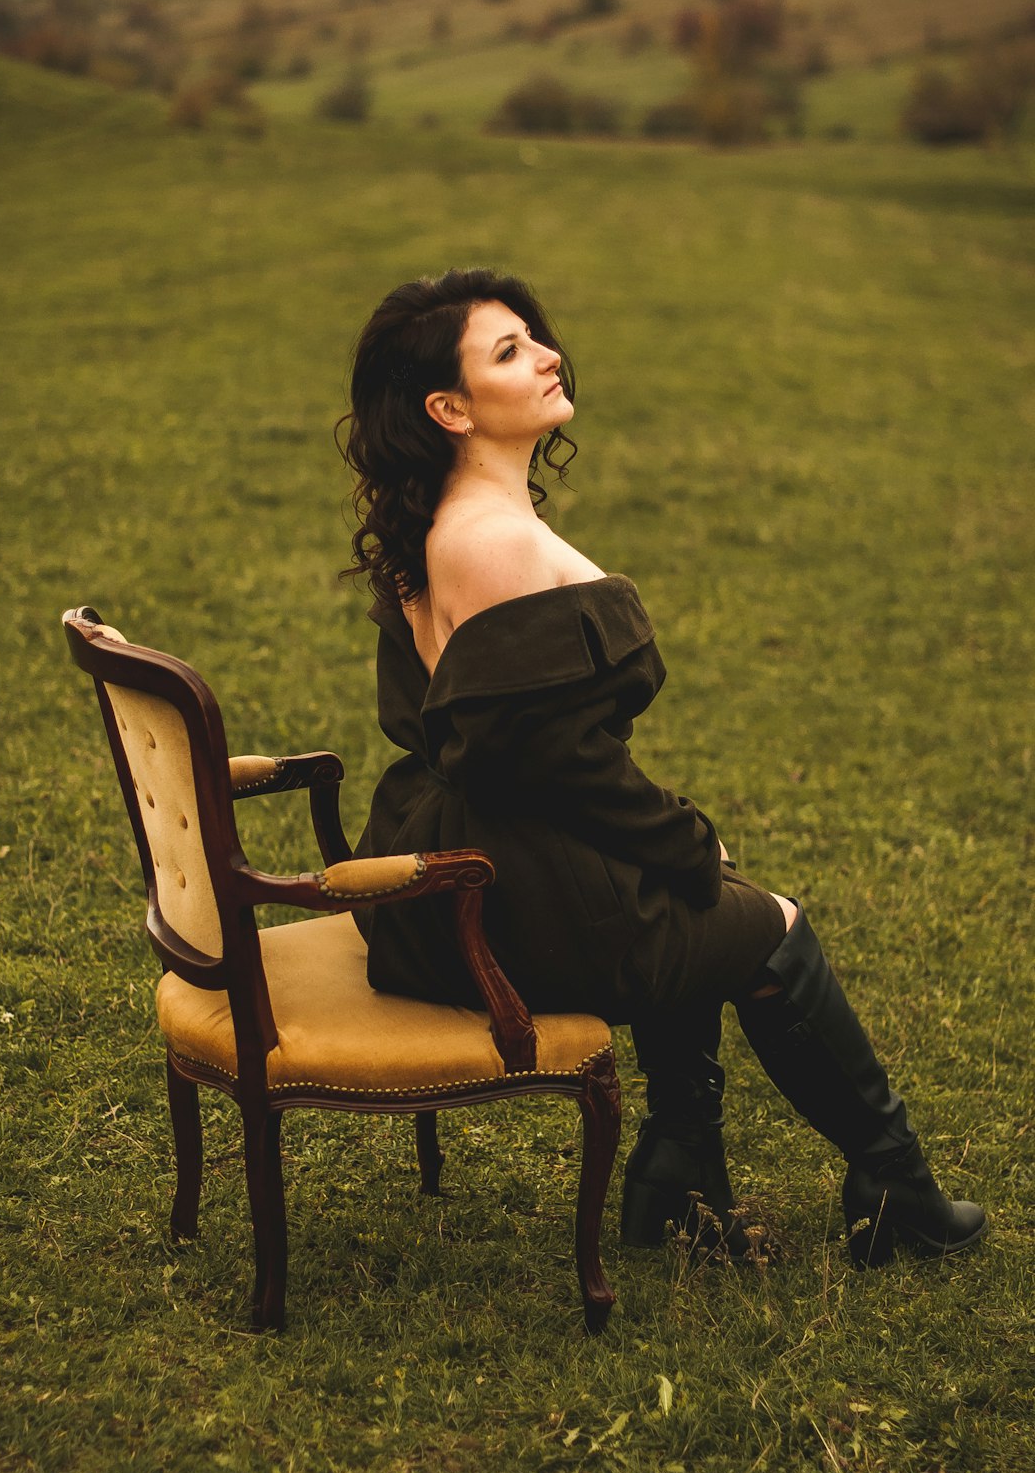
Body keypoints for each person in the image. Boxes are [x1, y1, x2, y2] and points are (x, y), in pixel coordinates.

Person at [338, 267, 986, 1269]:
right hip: (502, 892)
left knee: (693, 897)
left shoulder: (444, 528)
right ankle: (892, 1187)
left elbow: (498, 743)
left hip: (475, 860)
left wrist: (674, 853)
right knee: (769, 927)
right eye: (509, 351)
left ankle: (678, 1180)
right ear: (450, 407)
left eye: (534, 335)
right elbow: (559, 761)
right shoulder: (493, 541)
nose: (548, 353)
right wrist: (687, 838)